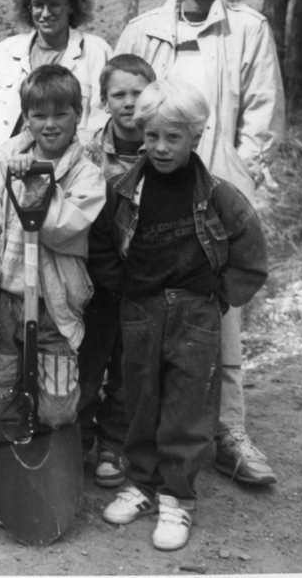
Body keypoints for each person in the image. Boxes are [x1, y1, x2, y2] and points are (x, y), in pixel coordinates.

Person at [116, 0, 283, 486]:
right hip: (152, 193)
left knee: (220, 315)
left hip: (212, 196)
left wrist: (237, 177)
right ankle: (139, 440)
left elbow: (263, 113)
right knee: (147, 316)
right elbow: (118, 99)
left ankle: (228, 433)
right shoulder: (143, 31)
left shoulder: (247, 30)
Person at [88, 80, 268, 551]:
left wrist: (218, 297)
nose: (161, 148)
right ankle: (143, 484)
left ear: (196, 136)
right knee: (139, 400)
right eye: (151, 137)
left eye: (173, 138)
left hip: (195, 314)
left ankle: (177, 497)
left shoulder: (219, 196)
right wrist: (123, 286)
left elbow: (251, 256)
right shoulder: (125, 191)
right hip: (141, 311)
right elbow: (102, 245)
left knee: (186, 409)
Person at [0, 65, 107, 526]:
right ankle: (0, 479)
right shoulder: (4, 163)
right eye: (39, 114)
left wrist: (38, 182)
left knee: (58, 403)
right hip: (6, 303)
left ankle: (52, 468)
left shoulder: (87, 173)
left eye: (61, 114)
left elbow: (65, 229)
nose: (50, 124)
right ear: (25, 117)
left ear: (77, 115)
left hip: (55, 310)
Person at [78, 54, 157, 489]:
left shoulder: (165, 145)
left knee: (129, 372)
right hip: (94, 281)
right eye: (118, 94)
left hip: (144, 283)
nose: (129, 103)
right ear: (105, 101)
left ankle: (114, 443)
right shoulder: (87, 150)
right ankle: (79, 438)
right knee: (86, 368)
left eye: (138, 92)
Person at [0, 0, 112, 168]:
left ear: (72, 6)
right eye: (38, 5)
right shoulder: (4, 52)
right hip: (5, 171)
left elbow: (101, 123)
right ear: (28, 7)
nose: (45, 13)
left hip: (68, 174)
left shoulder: (96, 53)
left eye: (55, 4)